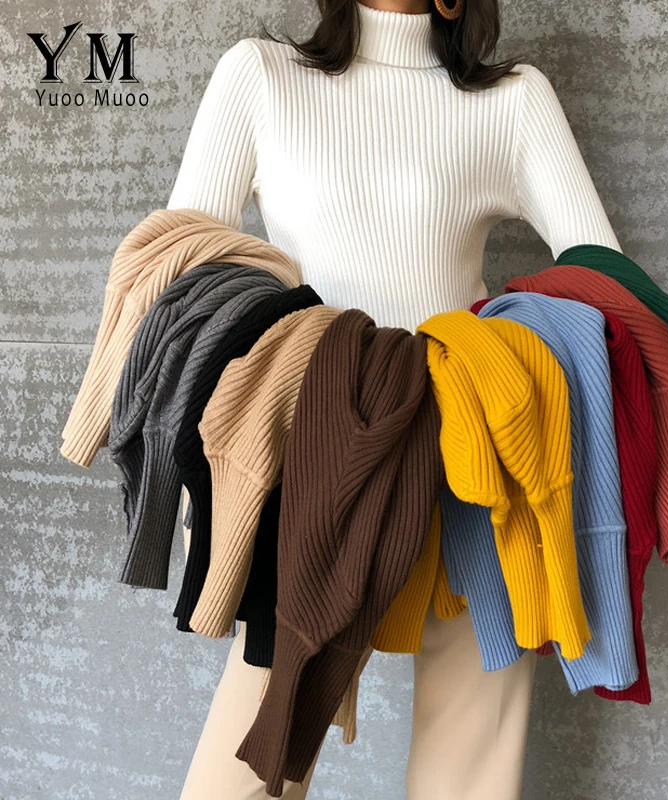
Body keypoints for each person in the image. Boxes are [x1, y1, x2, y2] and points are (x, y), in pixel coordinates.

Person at [167, 1, 623, 798]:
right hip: (315, 453)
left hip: (471, 447)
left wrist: (508, 355)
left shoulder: (512, 100)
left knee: (475, 755)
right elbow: (186, 277)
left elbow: (601, 282)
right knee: (257, 747)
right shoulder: (262, 77)